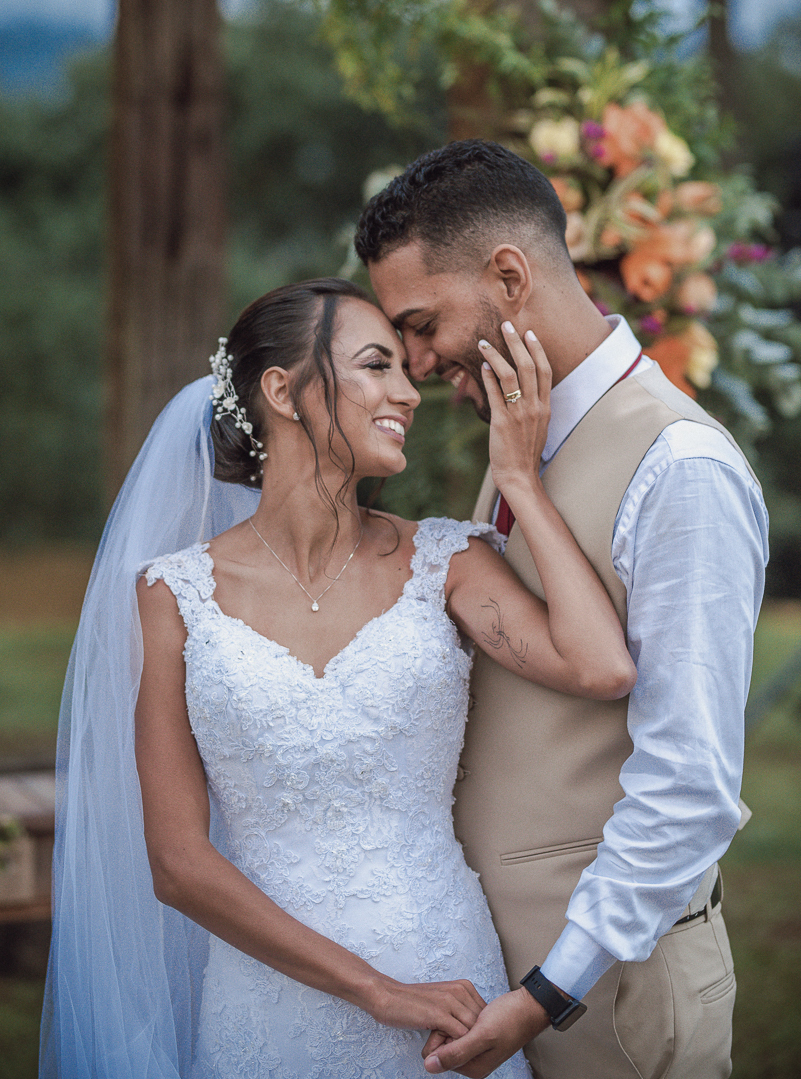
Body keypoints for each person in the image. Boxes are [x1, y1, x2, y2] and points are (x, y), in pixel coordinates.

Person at [41, 276, 637, 1079]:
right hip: (266, 1006)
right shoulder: (172, 597)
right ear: (283, 391)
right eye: (375, 366)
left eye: (404, 369)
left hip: (448, 981)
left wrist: (520, 481)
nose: (408, 393)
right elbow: (179, 864)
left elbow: (600, 667)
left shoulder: (446, 562)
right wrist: (376, 992)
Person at [356, 140, 770, 1079]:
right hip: (498, 979)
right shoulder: (526, 442)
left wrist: (550, 990)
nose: (415, 364)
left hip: (611, 994)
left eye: (421, 325)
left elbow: (690, 783)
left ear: (508, 276)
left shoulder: (680, 470)